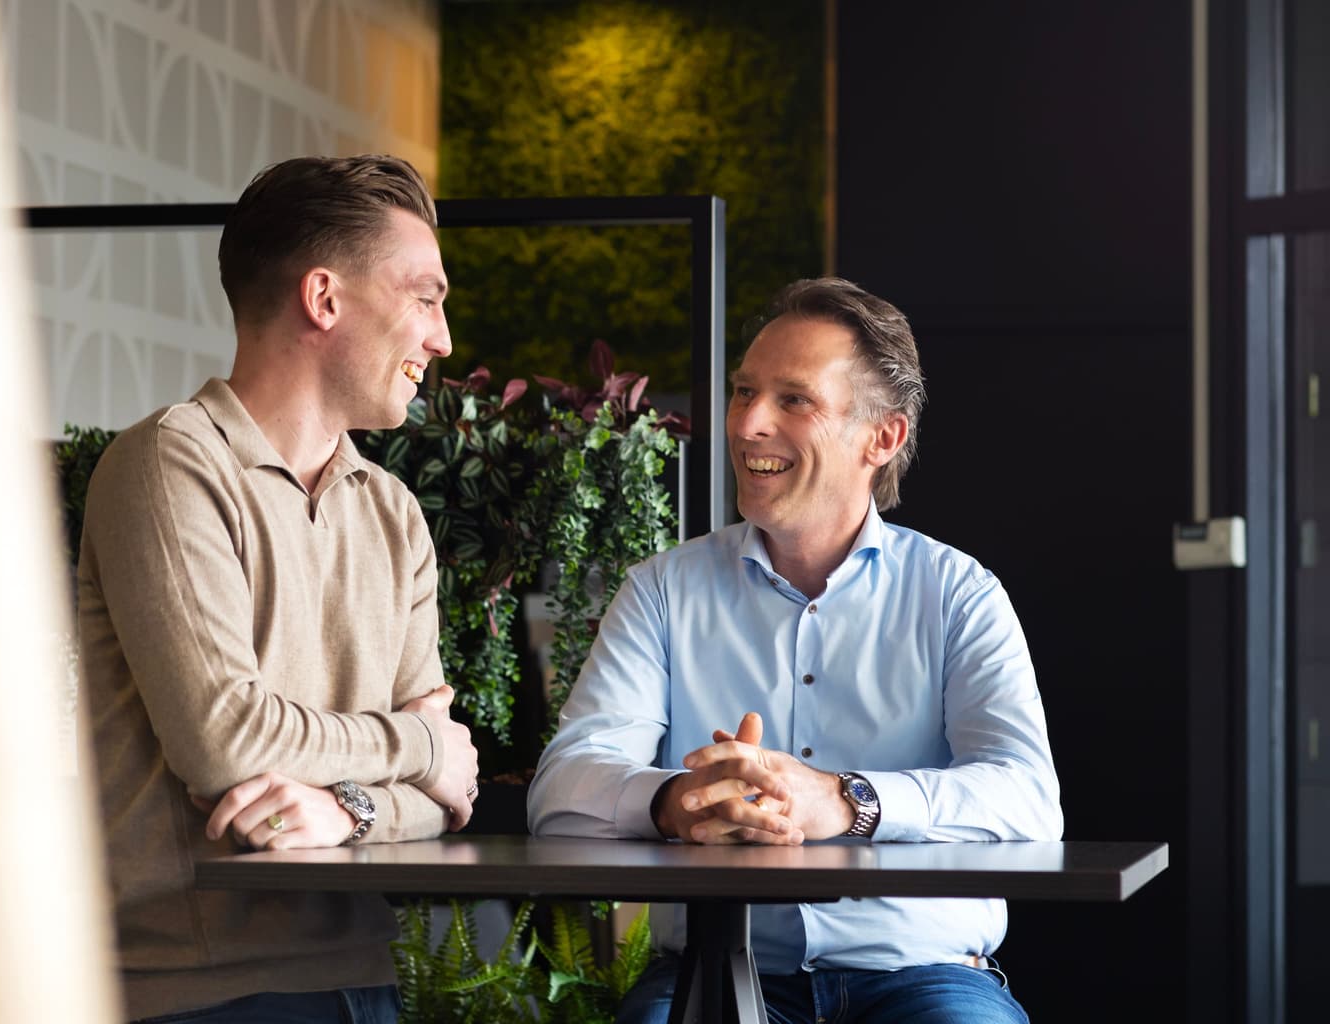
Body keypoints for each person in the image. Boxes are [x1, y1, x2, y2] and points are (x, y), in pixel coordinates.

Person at [527, 277, 1062, 1024]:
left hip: (924, 977)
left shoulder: (959, 594)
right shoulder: (662, 590)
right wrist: (678, 803)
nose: (747, 424)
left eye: (793, 400)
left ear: (884, 438)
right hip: (719, 965)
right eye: (744, 392)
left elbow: (1027, 800)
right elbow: (562, 790)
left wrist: (846, 800)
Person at [78, 154, 480, 1024]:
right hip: (198, 989)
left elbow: (449, 800)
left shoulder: (394, 512)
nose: (442, 338)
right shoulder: (168, 463)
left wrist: (351, 812)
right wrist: (421, 745)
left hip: (363, 976)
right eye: (425, 297)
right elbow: (226, 741)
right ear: (325, 298)